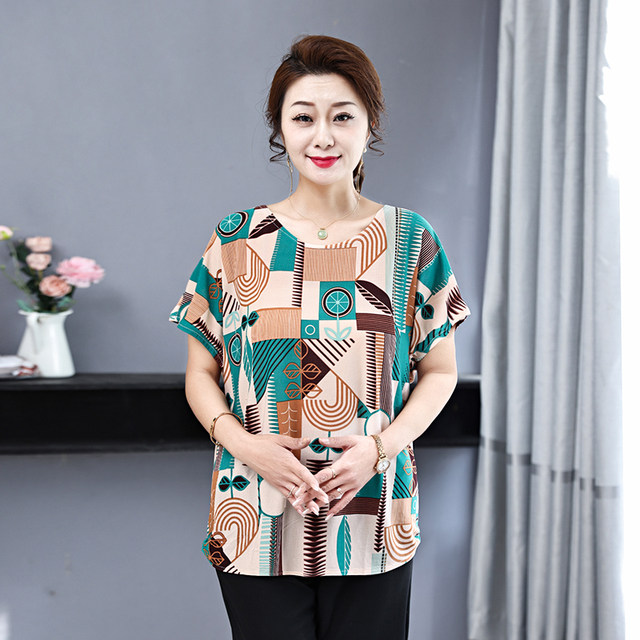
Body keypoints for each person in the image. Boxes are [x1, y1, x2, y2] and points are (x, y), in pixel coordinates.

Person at [169, 34, 470, 640]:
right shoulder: (236, 239)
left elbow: (439, 371)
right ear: (280, 130)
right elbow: (200, 373)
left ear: (369, 124)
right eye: (303, 118)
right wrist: (247, 447)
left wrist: (378, 450)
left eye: (342, 117)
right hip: (254, 513)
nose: (323, 137)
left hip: (375, 511)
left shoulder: (411, 240)